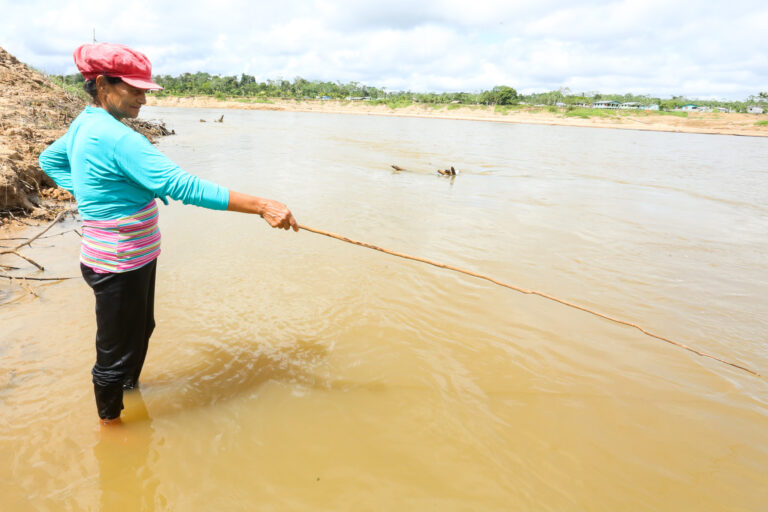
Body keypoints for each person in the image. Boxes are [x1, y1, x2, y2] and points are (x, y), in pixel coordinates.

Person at [39, 43, 298, 425]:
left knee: (142, 329)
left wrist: (96, 191)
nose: (143, 98)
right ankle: (111, 429)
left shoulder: (86, 122)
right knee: (114, 354)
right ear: (101, 84)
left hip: (131, 255)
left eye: (145, 90)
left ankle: (129, 390)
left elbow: (50, 160)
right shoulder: (115, 136)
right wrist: (261, 205)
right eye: (134, 88)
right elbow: (183, 186)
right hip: (118, 261)